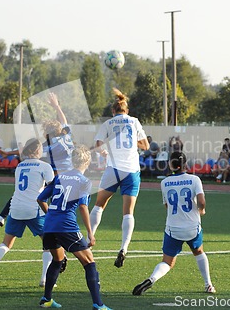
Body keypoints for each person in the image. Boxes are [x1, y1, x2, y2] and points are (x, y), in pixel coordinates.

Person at [36, 145, 112, 310]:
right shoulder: (84, 181)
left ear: (72, 160)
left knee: (57, 260)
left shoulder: (59, 177)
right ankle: (98, 304)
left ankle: (46, 299)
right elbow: (83, 207)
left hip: (49, 226)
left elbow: (41, 199)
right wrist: (90, 233)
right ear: (88, 162)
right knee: (89, 263)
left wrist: (51, 216)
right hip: (66, 226)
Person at [132, 151, 216, 296]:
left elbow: (167, 206)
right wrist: (201, 210)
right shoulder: (195, 179)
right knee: (199, 252)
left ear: (171, 164)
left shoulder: (164, 182)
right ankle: (208, 284)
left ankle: (152, 279)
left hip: (173, 228)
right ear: (185, 164)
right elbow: (201, 201)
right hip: (192, 227)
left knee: (167, 262)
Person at [0, 93, 74, 227]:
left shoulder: (48, 146)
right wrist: (56, 106)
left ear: (48, 132)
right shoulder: (66, 135)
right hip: (71, 176)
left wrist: (8, 153)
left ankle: (3, 217)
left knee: (28, 194)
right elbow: (63, 120)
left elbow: (29, 151)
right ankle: (1, 216)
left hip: (58, 176)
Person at [0, 138, 54, 287]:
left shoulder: (19, 166)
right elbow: (52, 188)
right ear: (37, 150)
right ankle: (44, 279)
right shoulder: (45, 166)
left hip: (16, 208)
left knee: (6, 243)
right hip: (34, 209)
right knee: (48, 244)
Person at [90, 88, 150, 268]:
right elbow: (145, 146)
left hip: (113, 169)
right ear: (127, 110)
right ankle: (124, 248)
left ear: (113, 111)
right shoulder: (134, 121)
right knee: (128, 212)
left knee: (99, 204)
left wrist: (105, 152)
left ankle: (89, 239)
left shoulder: (108, 124)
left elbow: (98, 146)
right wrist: (133, 142)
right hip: (131, 170)